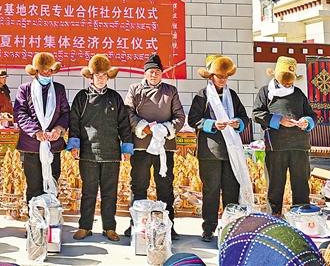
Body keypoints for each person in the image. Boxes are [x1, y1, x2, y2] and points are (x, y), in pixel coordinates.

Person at [68, 54, 133, 242]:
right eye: (97, 75)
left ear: (108, 77)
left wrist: (126, 147)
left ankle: (109, 228)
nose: (101, 78)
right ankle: (85, 226)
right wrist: (74, 144)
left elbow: (124, 124)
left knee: (109, 193)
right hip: (88, 152)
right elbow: (74, 123)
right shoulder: (82, 97)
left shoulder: (115, 98)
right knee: (88, 192)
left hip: (111, 152)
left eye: (104, 75)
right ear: (91, 76)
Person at [188, 55, 251, 242]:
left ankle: (231, 227)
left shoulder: (232, 96)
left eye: (225, 76)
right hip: (210, 151)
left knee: (231, 190)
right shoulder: (203, 96)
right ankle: (209, 228)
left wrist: (238, 122)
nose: (222, 80)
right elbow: (193, 120)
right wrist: (212, 124)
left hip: (231, 151)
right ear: (211, 77)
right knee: (211, 191)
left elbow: (244, 117)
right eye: (219, 76)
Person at [124, 53, 185, 239]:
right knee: (138, 186)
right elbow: (128, 113)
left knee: (165, 187)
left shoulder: (170, 91)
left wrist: (164, 129)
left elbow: (179, 117)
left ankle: (168, 226)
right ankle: (135, 225)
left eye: (157, 71)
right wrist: (144, 127)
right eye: (150, 71)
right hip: (141, 146)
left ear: (161, 73)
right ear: (145, 73)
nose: (154, 74)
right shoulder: (134, 89)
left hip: (164, 147)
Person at [253, 56, 316, 217]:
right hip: (276, 146)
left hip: (299, 146)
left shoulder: (298, 93)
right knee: (275, 186)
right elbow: (256, 114)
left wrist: (306, 121)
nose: (288, 84)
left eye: (290, 81)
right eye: (285, 81)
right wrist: (278, 120)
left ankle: (301, 216)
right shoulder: (265, 92)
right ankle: (274, 217)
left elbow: (312, 115)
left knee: (301, 185)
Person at [13, 53, 70, 201]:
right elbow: (20, 113)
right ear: (36, 71)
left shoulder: (59, 89)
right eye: (43, 70)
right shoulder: (25, 89)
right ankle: (34, 213)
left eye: (49, 70)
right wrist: (36, 132)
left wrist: (59, 129)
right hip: (31, 145)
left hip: (53, 145)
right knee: (34, 186)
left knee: (53, 181)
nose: (47, 73)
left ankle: (51, 211)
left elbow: (66, 113)